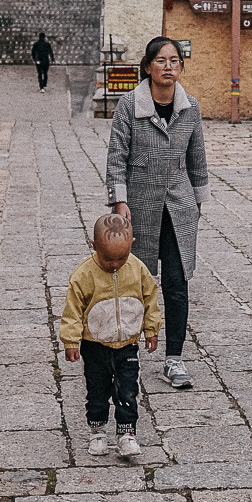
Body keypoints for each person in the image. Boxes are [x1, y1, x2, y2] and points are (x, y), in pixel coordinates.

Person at [107, 36, 208, 390]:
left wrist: (198, 201)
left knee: (177, 284)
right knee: (136, 282)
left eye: (175, 61)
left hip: (178, 208)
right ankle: (128, 354)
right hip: (138, 207)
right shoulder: (128, 105)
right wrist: (119, 202)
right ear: (148, 66)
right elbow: (116, 157)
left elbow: (197, 159)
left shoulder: (190, 108)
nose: (169, 66)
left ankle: (174, 359)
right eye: (161, 60)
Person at [61, 213, 161, 458]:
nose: (115, 264)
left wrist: (151, 328)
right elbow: (72, 310)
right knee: (97, 390)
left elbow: (150, 299)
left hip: (128, 343)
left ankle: (127, 434)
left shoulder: (138, 269)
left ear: (132, 244)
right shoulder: (83, 275)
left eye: (122, 257)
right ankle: (97, 431)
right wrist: (71, 340)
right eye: (108, 259)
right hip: (94, 345)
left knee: (127, 389)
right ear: (93, 246)